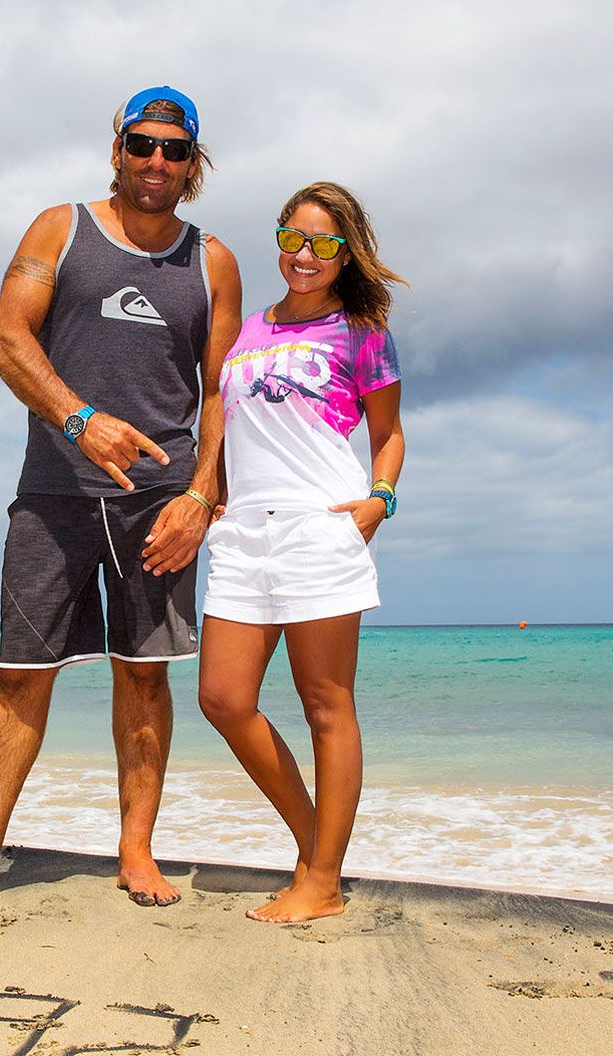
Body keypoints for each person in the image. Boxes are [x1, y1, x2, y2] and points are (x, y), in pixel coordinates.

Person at [0, 86, 242, 921]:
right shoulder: (60, 229)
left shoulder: (214, 263)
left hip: (159, 503)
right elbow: (4, 338)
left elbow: (220, 393)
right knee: (20, 677)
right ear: (117, 150)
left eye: (174, 150)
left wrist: (203, 495)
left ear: (193, 164)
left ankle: (136, 850)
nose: (156, 162)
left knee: (143, 679)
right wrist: (81, 418)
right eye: (142, 144)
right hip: (55, 494)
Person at [197, 181, 405, 923]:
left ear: (346, 253)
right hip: (244, 532)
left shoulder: (362, 331)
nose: (306, 256)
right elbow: (220, 417)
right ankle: (318, 844)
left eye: (324, 244)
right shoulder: (249, 329)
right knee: (222, 697)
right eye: (294, 239)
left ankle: (320, 879)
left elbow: (389, 433)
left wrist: (379, 500)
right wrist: (212, 492)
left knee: (326, 704)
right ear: (278, 239)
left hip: (321, 528)